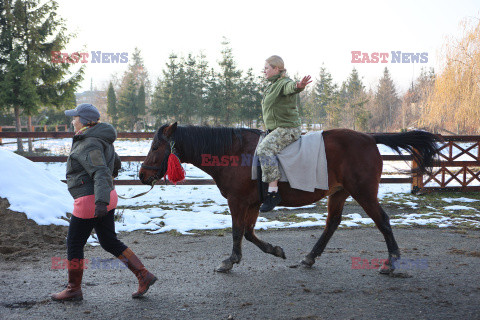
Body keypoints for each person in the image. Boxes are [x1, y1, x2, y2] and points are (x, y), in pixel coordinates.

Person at [51, 103, 157, 301]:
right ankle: (144, 274)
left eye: (74, 118)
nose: (72, 121)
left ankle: (73, 289)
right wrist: (111, 178)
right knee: (109, 241)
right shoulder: (101, 138)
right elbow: (114, 161)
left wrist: (100, 201)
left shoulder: (88, 142)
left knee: (74, 244)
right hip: (106, 195)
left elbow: (100, 171)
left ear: (83, 121)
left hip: (92, 200)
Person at [257, 55, 312, 212]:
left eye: (267, 68)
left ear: (276, 69)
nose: (264, 71)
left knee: (264, 150)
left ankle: (273, 193)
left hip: (288, 129)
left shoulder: (284, 83)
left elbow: (291, 87)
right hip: (275, 129)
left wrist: (299, 86)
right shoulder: (271, 86)